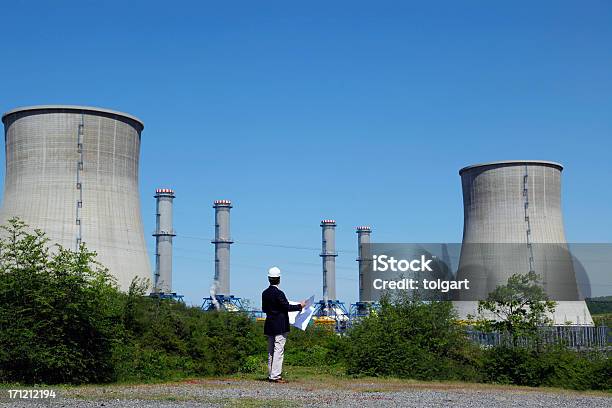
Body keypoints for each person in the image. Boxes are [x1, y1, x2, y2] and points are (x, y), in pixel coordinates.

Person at [261, 266, 305, 383]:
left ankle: (271, 374)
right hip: (280, 325)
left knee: (271, 351)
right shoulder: (279, 293)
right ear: (279, 279)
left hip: (269, 324)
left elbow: (264, 309)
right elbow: (286, 307)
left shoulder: (264, 293)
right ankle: (275, 376)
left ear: (269, 279)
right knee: (278, 350)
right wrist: (300, 306)